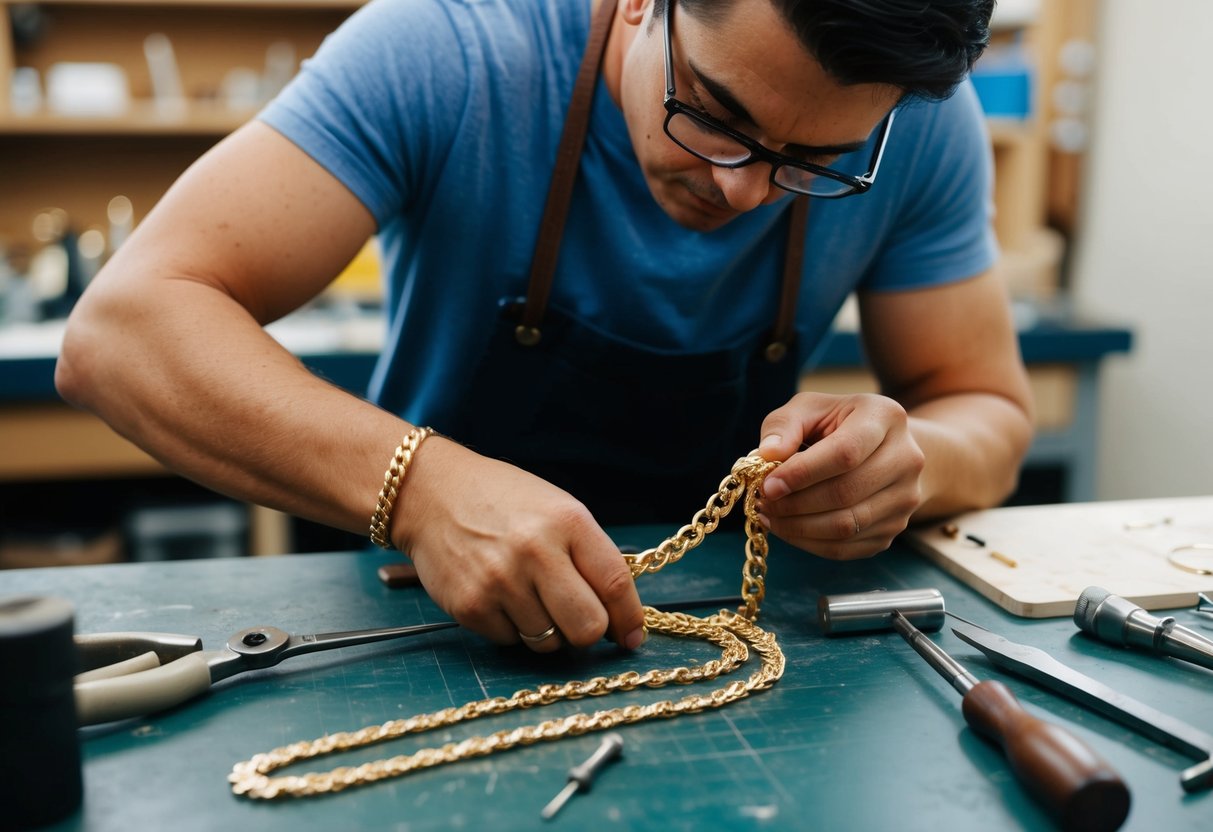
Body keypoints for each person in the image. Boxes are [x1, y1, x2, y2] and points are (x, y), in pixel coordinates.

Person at [55, 0, 1033, 655]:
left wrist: (915, 461)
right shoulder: (451, 50)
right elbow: (125, 330)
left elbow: (983, 405)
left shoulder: (913, 132)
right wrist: (423, 492)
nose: (740, 188)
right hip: (417, 621)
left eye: (809, 158)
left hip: (710, 622)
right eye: (715, 114)